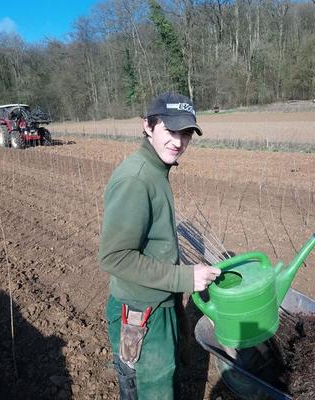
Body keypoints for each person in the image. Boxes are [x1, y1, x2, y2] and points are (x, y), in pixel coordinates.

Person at [98, 92, 221, 400]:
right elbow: (115, 257)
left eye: (186, 133)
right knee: (150, 392)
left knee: (166, 384)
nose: (178, 142)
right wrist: (185, 277)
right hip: (140, 314)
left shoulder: (155, 170)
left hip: (158, 305)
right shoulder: (137, 179)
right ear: (148, 127)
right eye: (170, 130)